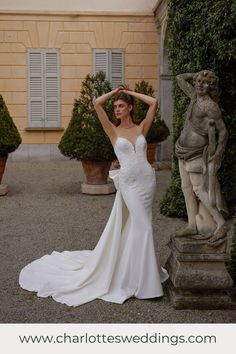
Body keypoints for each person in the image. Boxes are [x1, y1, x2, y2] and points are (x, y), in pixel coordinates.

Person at [19, 85, 168, 306]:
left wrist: (131, 92)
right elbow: (97, 103)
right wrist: (115, 91)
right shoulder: (113, 131)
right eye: (115, 106)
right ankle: (147, 284)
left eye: (120, 106)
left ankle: (136, 272)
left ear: (130, 108)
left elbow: (154, 103)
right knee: (144, 226)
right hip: (128, 184)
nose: (116, 109)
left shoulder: (141, 128)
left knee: (140, 226)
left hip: (147, 181)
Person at [175, 71, 228, 243]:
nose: (199, 84)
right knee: (187, 188)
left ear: (210, 86)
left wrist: (217, 154)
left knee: (199, 190)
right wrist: (197, 73)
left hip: (196, 154)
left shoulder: (210, 106)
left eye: (204, 83)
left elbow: (223, 132)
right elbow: (179, 78)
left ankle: (220, 223)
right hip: (182, 150)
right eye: (198, 81)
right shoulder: (193, 97)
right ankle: (191, 225)